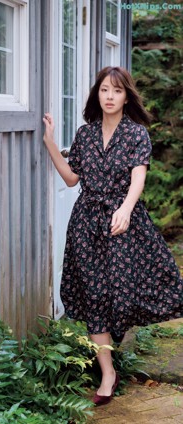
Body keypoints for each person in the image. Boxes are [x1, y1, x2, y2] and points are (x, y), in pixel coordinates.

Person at [43, 66, 183, 406]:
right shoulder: (85, 134)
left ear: (126, 96)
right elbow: (71, 179)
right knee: (94, 296)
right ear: (97, 94)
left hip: (122, 223)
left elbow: (138, 178)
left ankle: (116, 333)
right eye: (104, 90)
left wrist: (125, 208)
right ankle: (107, 373)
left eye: (117, 91)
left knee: (125, 289)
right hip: (86, 225)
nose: (109, 96)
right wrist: (49, 142)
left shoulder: (136, 135)